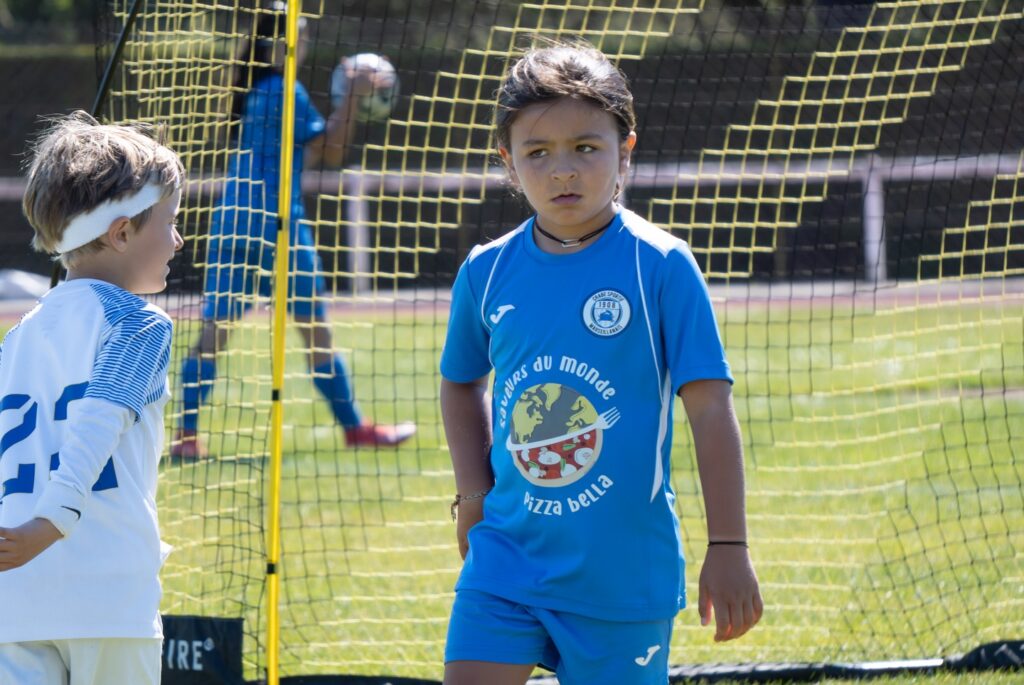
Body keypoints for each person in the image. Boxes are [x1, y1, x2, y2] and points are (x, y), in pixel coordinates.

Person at [439, 41, 763, 685]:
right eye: (538, 152)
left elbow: (709, 410)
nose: (563, 170)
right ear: (508, 161)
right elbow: (460, 381)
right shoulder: (486, 270)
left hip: (622, 572)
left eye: (586, 147)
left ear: (625, 150)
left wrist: (729, 545)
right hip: (506, 557)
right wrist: (473, 493)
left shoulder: (660, 265)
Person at [172, 1, 415, 459]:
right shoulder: (285, 90)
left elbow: (315, 149)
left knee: (214, 333)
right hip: (277, 224)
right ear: (281, 43)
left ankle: (186, 436)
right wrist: (352, 96)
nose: (305, 43)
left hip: (232, 221)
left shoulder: (254, 90)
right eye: (300, 35)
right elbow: (333, 151)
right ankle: (356, 429)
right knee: (316, 333)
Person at [0, 110, 184, 684]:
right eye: (170, 222)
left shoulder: (19, 335)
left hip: (15, 600)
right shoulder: (139, 324)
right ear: (122, 233)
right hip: (105, 594)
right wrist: (51, 523)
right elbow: (98, 422)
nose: (178, 240)